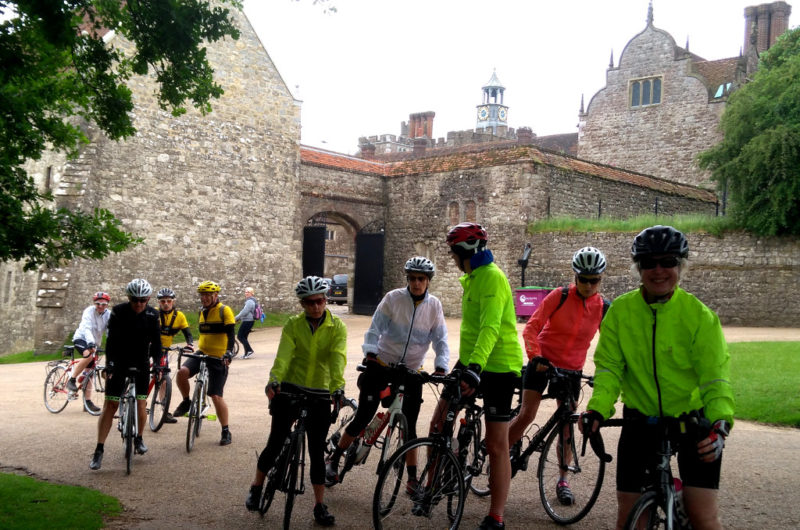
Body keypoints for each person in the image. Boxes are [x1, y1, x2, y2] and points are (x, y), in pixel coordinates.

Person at [582, 225, 734, 530]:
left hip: (691, 422)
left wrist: (721, 422)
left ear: (681, 266)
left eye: (668, 262)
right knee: (629, 516)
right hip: (642, 421)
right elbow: (610, 368)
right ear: (639, 268)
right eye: (649, 263)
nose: (659, 270)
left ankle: (683, 503)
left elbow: (714, 378)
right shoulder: (621, 312)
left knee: (703, 517)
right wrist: (597, 408)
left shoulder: (699, 316)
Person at [325, 256, 450, 490]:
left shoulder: (434, 306)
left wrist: (441, 367)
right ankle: (334, 458)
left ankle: (411, 479)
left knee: (410, 428)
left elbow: (441, 340)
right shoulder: (393, 299)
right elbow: (374, 330)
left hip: (412, 371)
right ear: (407, 279)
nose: (416, 283)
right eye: (412, 278)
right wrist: (371, 354)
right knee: (364, 415)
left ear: (428, 281)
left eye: (421, 279)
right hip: (382, 365)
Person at [507, 246, 608, 505]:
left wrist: (605, 374)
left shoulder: (603, 308)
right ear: (575, 276)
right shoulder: (559, 296)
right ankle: (499, 455)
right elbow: (531, 328)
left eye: (594, 280)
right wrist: (536, 356)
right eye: (583, 279)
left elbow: (610, 348)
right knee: (527, 414)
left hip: (571, 370)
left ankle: (563, 480)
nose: (588, 285)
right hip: (543, 362)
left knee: (566, 426)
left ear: (601, 279)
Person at [245, 276, 346, 526]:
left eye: (319, 301)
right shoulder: (293, 324)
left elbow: (337, 358)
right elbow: (284, 356)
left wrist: (337, 388)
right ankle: (257, 486)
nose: (316, 306)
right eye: (310, 302)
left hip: (320, 391)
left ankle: (319, 505)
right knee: (275, 442)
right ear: (302, 304)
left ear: (326, 300)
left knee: (316, 451)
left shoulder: (337, 327)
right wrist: (274, 380)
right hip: (291, 387)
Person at [442, 222, 523, 530]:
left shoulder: (491, 278)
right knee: (439, 417)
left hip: (499, 365)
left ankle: (496, 516)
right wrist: (468, 365)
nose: (452, 259)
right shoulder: (473, 278)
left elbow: (490, 327)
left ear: (465, 252)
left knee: (497, 445)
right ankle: (434, 483)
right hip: (472, 359)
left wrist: (475, 368)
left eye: (454, 253)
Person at [89, 279, 161, 470]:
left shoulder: (153, 315)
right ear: (129, 298)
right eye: (135, 299)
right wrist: (110, 365)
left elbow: (157, 343)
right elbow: (111, 341)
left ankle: (139, 438)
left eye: (143, 300)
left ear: (148, 299)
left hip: (141, 362)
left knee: (141, 402)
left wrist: (158, 365)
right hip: (120, 361)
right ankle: (99, 449)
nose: (139, 303)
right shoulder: (119, 311)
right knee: (111, 404)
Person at [172, 281, 236, 446]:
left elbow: (231, 335)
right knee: (182, 372)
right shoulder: (202, 311)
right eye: (202, 295)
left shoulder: (224, 310)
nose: (204, 298)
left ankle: (225, 430)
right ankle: (186, 401)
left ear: (215, 295)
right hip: (202, 353)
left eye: (208, 295)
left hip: (218, 356)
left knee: (216, 395)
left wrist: (228, 352)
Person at [67, 291, 112, 413]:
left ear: (107, 304)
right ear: (94, 303)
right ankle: (72, 380)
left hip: (94, 343)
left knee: (90, 372)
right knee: (88, 356)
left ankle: (87, 402)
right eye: (98, 304)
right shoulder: (89, 311)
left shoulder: (108, 315)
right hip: (81, 338)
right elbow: (87, 328)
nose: (100, 306)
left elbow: (110, 331)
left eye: (103, 304)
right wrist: (91, 343)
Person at [155, 287, 194, 424]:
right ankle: (134, 401)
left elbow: (188, 334)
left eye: (169, 301)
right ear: (159, 302)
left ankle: (164, 410)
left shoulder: (179, 316)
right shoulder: (154, 313)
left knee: (163, 379)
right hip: (149, 348)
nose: (166, 304)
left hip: (163, 351)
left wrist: (190, 344)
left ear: (173, 301)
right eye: (163, 301)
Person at [234, 287, 257, 359]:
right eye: (245, 292)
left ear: (252, 293)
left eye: (248, 292)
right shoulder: (250, 301)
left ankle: (249, 350)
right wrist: (239, 318)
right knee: (244, 337)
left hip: (248, 321)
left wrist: (236, 318)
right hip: (248, 320)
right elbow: (245, 312)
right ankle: (246, 353)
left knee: (240, 336)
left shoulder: (250, 301)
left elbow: (245, 312)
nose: (246, 293)